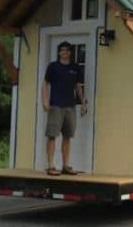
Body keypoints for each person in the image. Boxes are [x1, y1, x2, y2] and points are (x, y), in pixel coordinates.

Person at [40, 41, 87, 176]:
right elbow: (45, 83)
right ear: (59, 52)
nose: (64, 52)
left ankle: (65, 166)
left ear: (70, 52)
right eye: (62, 50)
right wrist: (44, 100)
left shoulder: (75, 67)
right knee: (52, 135)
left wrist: (83, 103)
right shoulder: (53, 67)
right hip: (55, 105)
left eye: (67, 50)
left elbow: (78, 87)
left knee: (68, 136)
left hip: (70, 106)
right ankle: (51, 166)